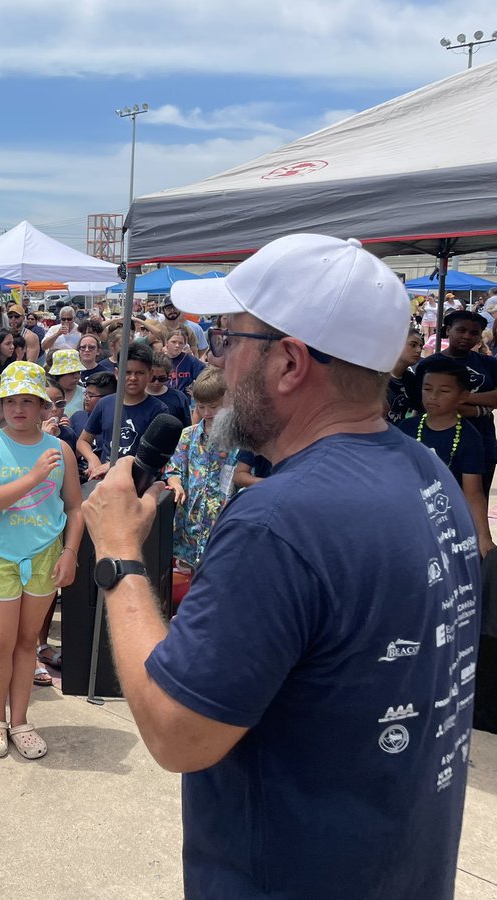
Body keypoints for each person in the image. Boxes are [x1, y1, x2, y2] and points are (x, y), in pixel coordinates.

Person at [83, 233, 479, 899]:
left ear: (290, 363)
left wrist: (120, 554)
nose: (221, 362)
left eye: (228, 339)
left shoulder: (279, 523)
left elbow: (178, 733)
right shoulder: (427, 471)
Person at [0, 362, 81, 760]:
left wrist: (70, 553)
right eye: (11, 401)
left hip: (45, 554)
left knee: (27, 642)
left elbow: (75, 508)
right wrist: (33, 477)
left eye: (28, 401)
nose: (19, 409)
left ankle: (20, 720)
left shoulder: (61, 449)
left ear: (42, 406)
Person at [398, 358, 493, 555]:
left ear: (462, 396)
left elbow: (473, 492)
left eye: (444, 391)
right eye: (427, 388)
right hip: (408, 515)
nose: (433, 396)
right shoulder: (406, 429)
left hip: (447, 519)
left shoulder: (470, 438)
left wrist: (483, 536)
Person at [417, 309, 497, 492]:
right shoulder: (429, 365)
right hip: (437, 442)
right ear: (447, 331)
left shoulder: (489, 364)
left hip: (482, 440)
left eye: (474, 333)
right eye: (461, 330)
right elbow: (427, 405)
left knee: (476, 497)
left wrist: (460, 398)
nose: (467, 336)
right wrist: (482, 407)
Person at [164, 368, 235, 570]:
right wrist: (176, 485)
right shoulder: (188, 435)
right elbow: (174, 468)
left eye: (213, 406)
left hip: (223, 522)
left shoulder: (239, 439)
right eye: (201, 407)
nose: (207, 413)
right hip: (191, 525)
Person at [77, 342, 168, 478]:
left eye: (140, 373)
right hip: (106, 479)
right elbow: (83, 441)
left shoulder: (159, 411)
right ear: (117, 374)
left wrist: (115, 465)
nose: (133, 378)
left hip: (138, 482)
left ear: (150, 375)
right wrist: (93, 460)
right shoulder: (105, 403)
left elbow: (153, 456)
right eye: (127, 372)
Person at [387, 329, 424, 424]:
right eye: (413, 345)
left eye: (421, 346)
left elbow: (418, 407)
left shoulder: (410, 379)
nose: (419, 350)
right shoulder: (377, 375)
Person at [146, 353, 192, 423]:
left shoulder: (179, 398)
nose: (156, 382)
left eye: (162, 378)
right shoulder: (136, 396)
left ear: (168, 375)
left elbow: (187, 427)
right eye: (152, 378)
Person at [163, 330, 206, 394]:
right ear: (167, 343)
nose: (177, 345)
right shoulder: (160, 359)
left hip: (184, 400)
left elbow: (208, 376)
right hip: (163, 399)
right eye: (173, 342)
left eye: (180, 343)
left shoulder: (190, 360)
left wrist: (197, 391)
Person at [47, 349, 85, 416]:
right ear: (58, 375)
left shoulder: (85, 394)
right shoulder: (45, 394)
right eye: (71, 373)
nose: (77, 376)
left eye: (78, 372)